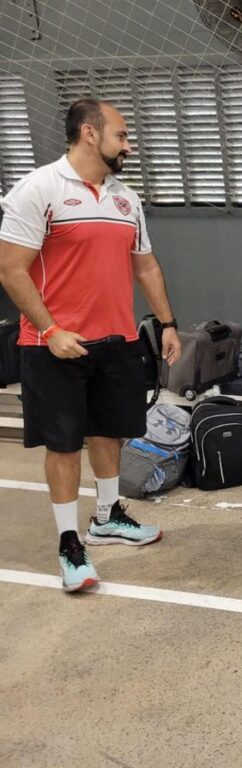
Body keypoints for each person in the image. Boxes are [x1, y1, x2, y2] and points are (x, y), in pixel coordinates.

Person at [0, 98, 181, 592]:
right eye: (121, 135)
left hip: (116, 340)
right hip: (53, 345)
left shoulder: (126, 199)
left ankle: (106, 517)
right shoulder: (40, 189)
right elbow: (11, 269)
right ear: (89, 133)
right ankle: (68, 544)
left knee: (109, 433)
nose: (129, 145)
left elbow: (145, 265)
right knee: (63, 445)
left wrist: (168, 323)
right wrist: (51, 331)